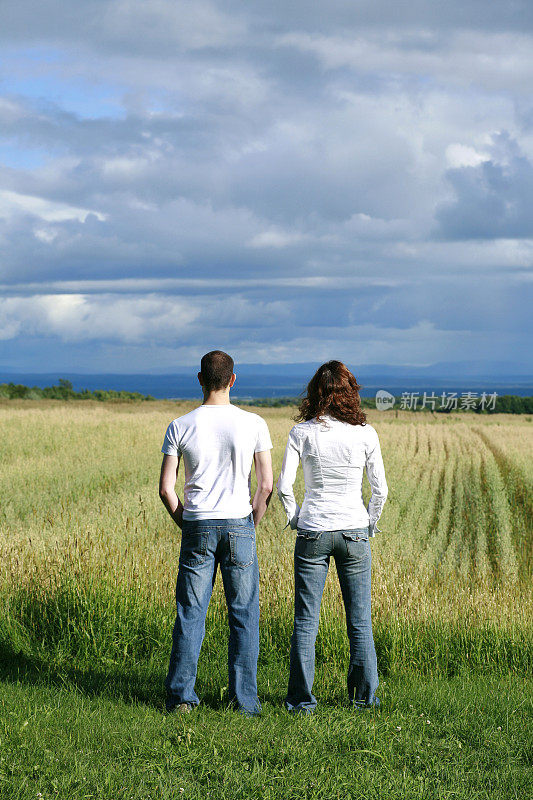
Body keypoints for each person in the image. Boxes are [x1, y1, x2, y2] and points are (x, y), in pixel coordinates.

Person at [159, 350, 273, 716]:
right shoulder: (254, 423)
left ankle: (181, 699)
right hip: (240, 524)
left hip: (197, 525)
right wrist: (250, 524)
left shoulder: (180, 425)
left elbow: (166, 488)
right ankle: (245, 702)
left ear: (199, 379)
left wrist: (187, 522)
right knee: (243, 614)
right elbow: (266, 484)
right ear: (233, 380)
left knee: (190, 613)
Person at [276, 361, 388, 713]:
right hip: (354, 530)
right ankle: (364, 699)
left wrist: (297, 519)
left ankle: (301, 700)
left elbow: (283, 487)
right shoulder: (366, 433)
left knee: (306, 620)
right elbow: (381, 490)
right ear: (350, 392)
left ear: (315, 393)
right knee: (359, 619)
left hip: (313, 529)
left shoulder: (302, 433)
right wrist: (368, 524)